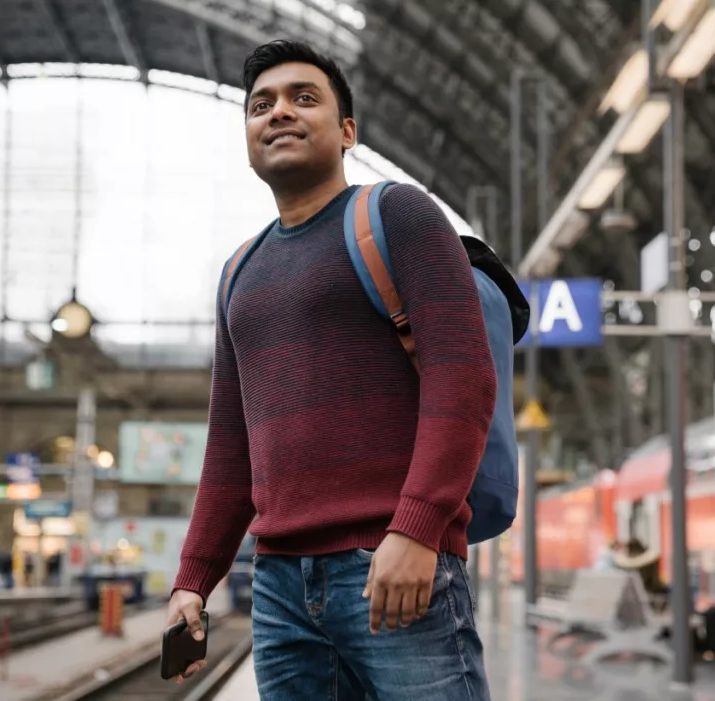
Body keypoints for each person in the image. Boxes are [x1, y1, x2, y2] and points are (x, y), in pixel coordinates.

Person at [165, 39, 496, 700]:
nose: (278, 112)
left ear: (347, 131)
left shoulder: (397, 215)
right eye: (261, 105)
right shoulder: (239, 274)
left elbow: (463, 379)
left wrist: (416, 527)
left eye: (302, 98)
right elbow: (231, 450)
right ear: (249, 135)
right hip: (280, 586)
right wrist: (193, 577)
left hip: (392, 561)